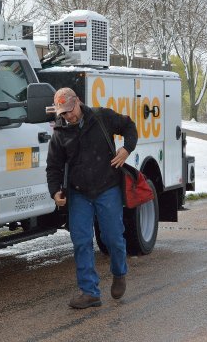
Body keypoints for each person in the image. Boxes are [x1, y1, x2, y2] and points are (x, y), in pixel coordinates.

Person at [46, 87, 138, 309]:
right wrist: (55, 191)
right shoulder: (59, 133)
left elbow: (129, 127)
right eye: (64, 113)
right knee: (81, 241)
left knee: (113, 238)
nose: (69, 116)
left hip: (107, 187)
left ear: (78, 101)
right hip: (79, 193)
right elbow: (53, 167)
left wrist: (127, 149)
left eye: (70, 110)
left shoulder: (102, 117)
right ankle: (89, 292)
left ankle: (119, 273)